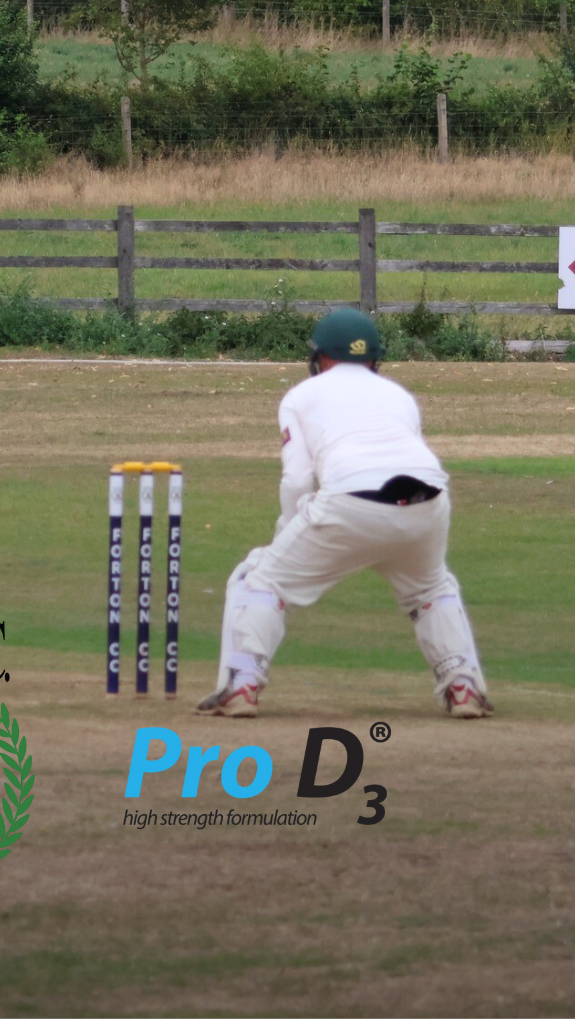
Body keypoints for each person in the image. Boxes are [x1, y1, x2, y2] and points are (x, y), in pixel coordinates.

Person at [195, 308, 493, 720]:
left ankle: (241, 684)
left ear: (320, 357)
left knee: (259, 578)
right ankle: (464, 687)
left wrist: (286, 532)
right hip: (428, 499)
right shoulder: (398, 394)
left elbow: (298, 479)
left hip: (351, 501)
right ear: (374, 358)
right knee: (432, 588)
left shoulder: (301, 396)